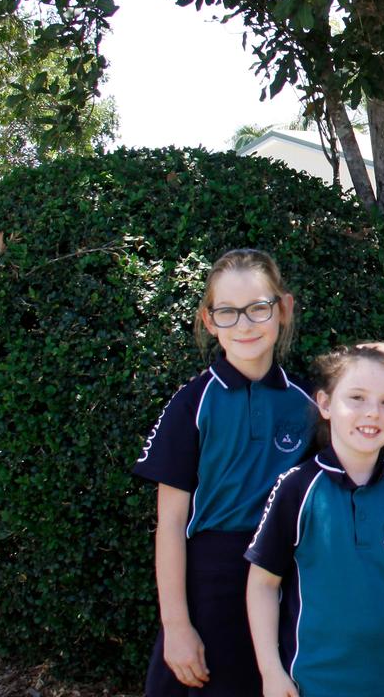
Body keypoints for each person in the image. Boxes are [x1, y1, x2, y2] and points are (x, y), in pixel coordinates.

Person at [133, 248, 318, 695]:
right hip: (210, 581)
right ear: (209, 320)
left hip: (285, 577)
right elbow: (172, 524)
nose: (246, 324)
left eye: (258, 308)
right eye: (228, 312)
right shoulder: (192, 404)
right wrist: (176, 625)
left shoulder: (313, 404)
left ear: (284, 309)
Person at [245, 343, 384, 697]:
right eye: (356, 397)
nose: (372, 412)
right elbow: (263, 585)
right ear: (325, 404)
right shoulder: (296, 490)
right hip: (314, 685)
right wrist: (271, 671)